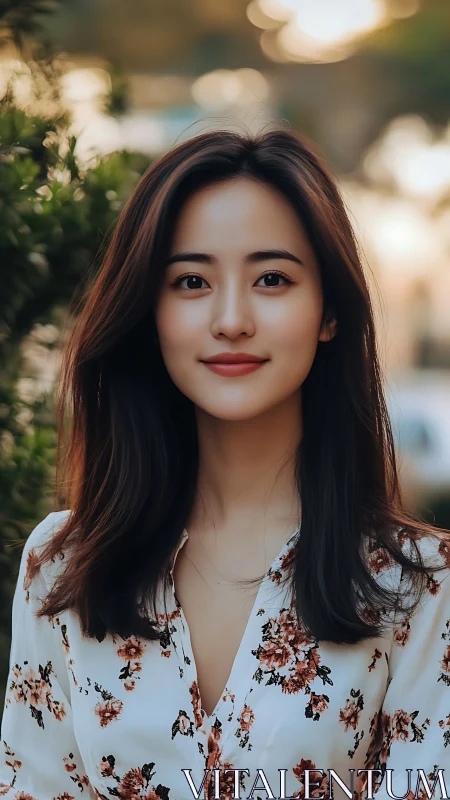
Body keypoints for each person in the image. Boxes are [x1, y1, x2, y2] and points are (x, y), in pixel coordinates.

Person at [1, 126, 450, 800]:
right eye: (190, 281)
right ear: (149, 312)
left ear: (329, 310)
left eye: (272, 278)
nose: (232, 318)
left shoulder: (420, 587)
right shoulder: (63, 565)